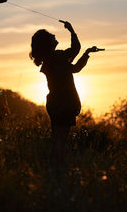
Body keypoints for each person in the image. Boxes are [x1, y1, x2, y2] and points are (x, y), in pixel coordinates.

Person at [29, 21, 100, 169]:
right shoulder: (58, 57)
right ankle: (57, 170)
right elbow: (75, 49)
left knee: (57, 140)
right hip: (65, 103)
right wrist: (71, 30)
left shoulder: (50, 60)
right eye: (51, 36)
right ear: (47, 43)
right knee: (60, 141)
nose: (54, 35)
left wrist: (86, 54)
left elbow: (74, 68)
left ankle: (53, 169)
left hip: (54, 104)